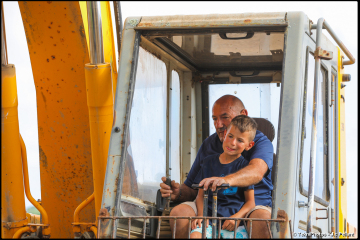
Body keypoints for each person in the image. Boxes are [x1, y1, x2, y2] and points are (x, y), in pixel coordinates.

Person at [160, 94, 274, 238]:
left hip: (249, 207)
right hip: (209, 205)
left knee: (262, 219)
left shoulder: (262, 143)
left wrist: (226, 181)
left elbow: (256, 172)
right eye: (214, 119)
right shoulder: (209, 146)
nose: (218, 124)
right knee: (179, 213)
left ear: (243, 114)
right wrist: (178, 193)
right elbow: (194, 187)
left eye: (225, 117)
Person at [190, 115, 256, 239]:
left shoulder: (245, 169)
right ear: (225, 134)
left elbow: (250, 202)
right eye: (230, 136)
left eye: (240, 140)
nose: (232, 143)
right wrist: (201, 215)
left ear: (249, 145)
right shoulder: (208, 162)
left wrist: (237, 217)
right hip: (208, 220)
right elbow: (200, 196)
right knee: (195, 236)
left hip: (232, 223)